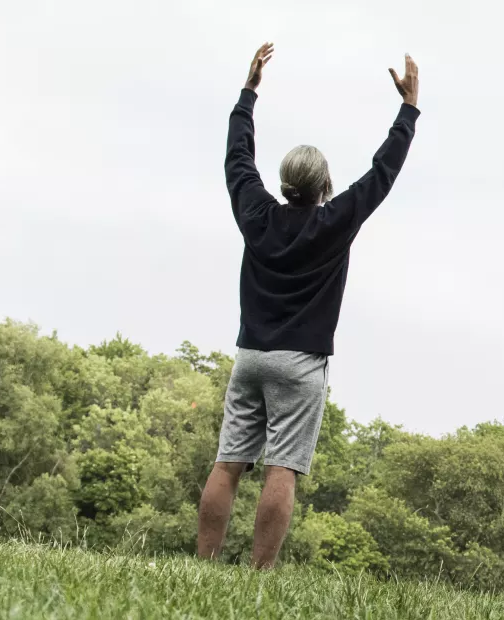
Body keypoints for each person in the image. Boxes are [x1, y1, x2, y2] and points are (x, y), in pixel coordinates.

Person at [194, 42, 421, 570]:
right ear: (323, 187)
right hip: (300, 365)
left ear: (283, 183)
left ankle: (202, 566)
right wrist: (408, 110)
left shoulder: (256, 214)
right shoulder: (334, 223)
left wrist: (248, 94)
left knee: (228, 463)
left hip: (249, 355)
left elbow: (237, 158)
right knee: (282, 469)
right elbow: (381, 173)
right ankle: (258, 576)